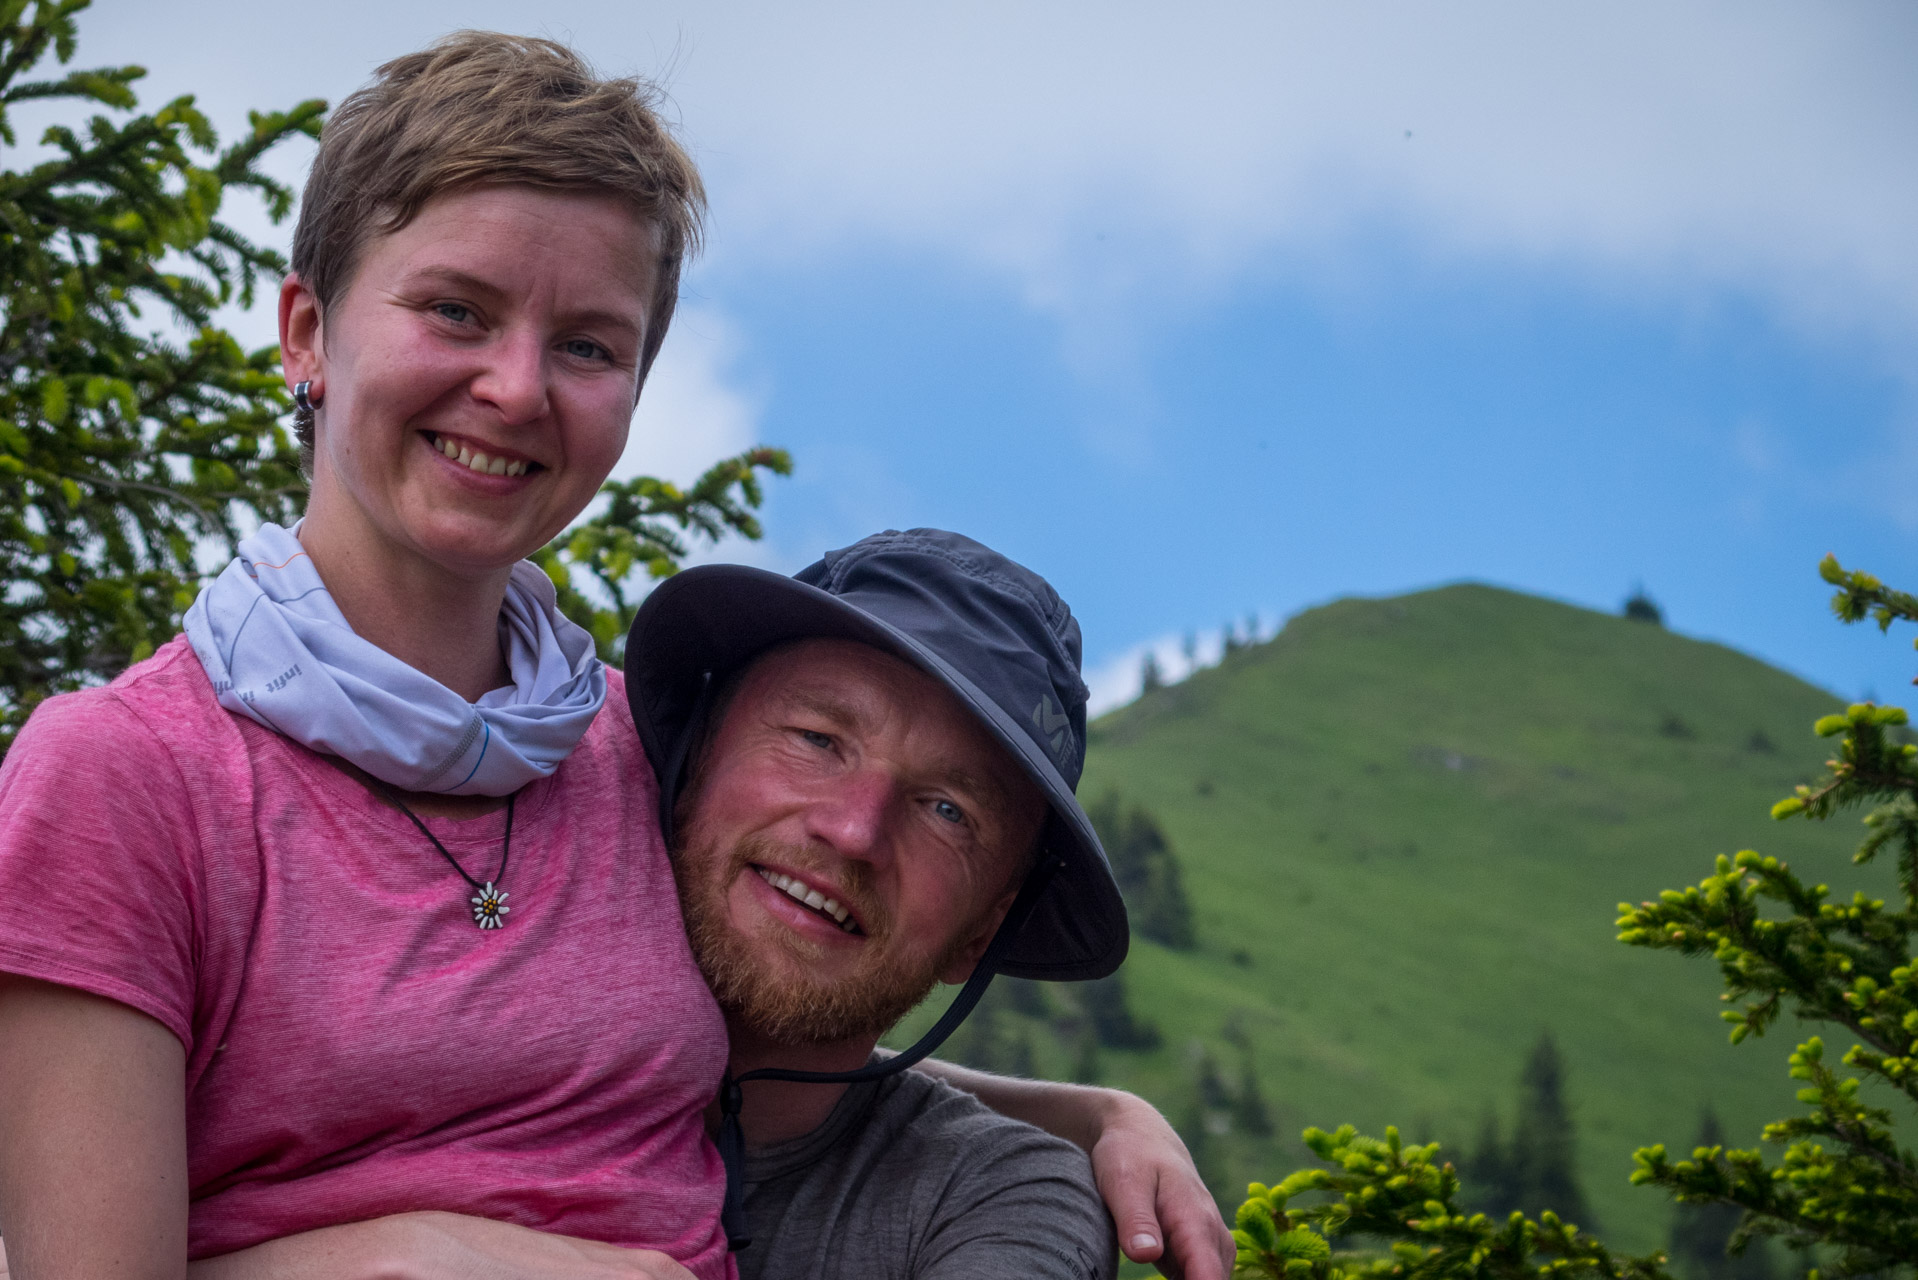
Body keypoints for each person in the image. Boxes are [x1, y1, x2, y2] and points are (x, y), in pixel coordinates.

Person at [0, 30, 1229, 1280]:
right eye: (454, 310)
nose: (516, 386)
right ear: (307, 331)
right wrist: (412, 1259)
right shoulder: (126, 779)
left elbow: (782, 1028)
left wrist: (1089, 1110)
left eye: (588, 344)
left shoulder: (638, 758)